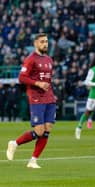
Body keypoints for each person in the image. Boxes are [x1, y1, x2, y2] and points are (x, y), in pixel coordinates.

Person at [6, 33, 56, 168]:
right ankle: (14, 143)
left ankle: (33, 160)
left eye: (46, 41)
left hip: (49, 97)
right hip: (36, 97)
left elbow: (48, 80)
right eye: (42, 42)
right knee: (39, 131)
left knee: (48, 129)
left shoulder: (49, 60)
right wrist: (38, 84)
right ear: (35, 43)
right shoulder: (30, 59)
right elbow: (22, 78)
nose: (45, 44)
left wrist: (51, 91)